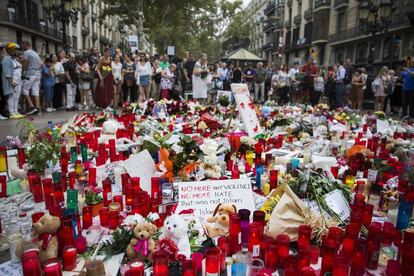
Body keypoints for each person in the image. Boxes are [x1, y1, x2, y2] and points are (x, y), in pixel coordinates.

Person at [2, 42, 24, 119]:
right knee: (11, 96)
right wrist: (11, 80)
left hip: (18, 80)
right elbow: (6, 71)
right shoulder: (7, 59)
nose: (16, 51)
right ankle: (11, 112)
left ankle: (15, 111)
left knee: (16, 96)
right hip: (12, 80)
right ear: (10, 50)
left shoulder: (13, 58)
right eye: (15, 49)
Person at [21, 41, 42, 115]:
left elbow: (25, 63)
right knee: (35, 91)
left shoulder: (26, 53)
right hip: (37, 74)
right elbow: (41, 64)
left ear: (26, 45)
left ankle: (32, 107)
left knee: (24, 90)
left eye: (22, 45)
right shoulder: (35, 53)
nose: (22, 46)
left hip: (30, 73)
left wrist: (23, 72)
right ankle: (38, 108)